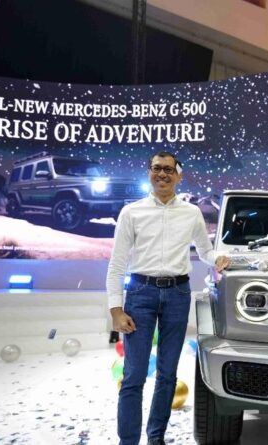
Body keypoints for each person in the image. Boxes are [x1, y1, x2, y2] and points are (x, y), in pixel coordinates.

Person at [106, 151, 230, 445]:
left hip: (178, 294)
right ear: (149, 172)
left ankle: (156, 438)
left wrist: (218, 259)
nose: (162, 174)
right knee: (134, 376)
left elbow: (204, 251)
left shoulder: (191, 212)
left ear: (178, 175)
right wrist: (115, 309)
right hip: (140, 293)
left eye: (168, 169)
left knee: (167, 374)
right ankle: (128, 441)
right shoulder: (131, 212)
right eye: (156, 168)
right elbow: (117, 263)